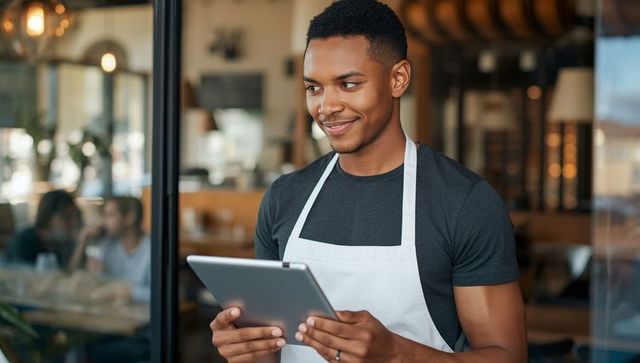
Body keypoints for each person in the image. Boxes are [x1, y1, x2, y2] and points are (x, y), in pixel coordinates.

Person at [209, 1, 526, 362]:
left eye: (348, 84)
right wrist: (248, 351)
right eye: (314, 88)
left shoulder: (464, 203)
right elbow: (273, 350)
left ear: (398, 79)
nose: (326, 106)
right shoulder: (284, 198)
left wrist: (395, 354)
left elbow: (507, 357)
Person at [79, 196, 151, 303]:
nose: (103, 222)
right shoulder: (107, 246)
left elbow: (163, 293)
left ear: (130, 217)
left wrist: (130, 292)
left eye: (110, 215)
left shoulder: (153, 249)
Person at [6, 189, 82, 268]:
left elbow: (71, 272)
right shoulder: (22, 241)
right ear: (47, 218)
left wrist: (81, 243)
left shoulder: (63, 241)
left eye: (76, 216)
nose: (74, 222)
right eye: (66, 217)